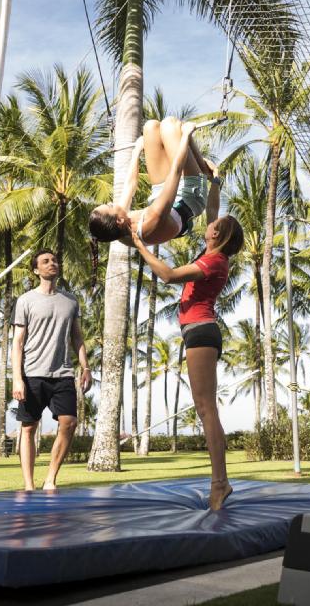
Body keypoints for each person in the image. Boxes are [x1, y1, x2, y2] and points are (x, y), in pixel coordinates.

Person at [130, 214, 244, 510]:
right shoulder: (209, 255)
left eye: (213, 223)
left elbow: (167, 275)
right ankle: (220, 481)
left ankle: (220, 483)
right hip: (197, 332)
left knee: (207, 410)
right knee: (206, 409)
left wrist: (140, 246)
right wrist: (214, 181)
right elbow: (213, 205)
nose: (207, 223)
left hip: (202, 332)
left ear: (217, 234)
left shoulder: (214, 262)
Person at [12, 249, 91, 492]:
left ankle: (50, 479)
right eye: (45, 261)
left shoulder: (70, 300)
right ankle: (28, 484)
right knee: (29, 428)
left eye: (55, 260)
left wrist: (85, 367)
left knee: (69, 423)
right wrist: (17, 378)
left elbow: (77, 338)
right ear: (36, 270)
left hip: (63, 374)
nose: (52, 264)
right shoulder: (26, 300)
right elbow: (18, 342)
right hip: (32, 374)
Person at [88, 118, 219, 247]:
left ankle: (195, 161)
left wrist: (137, 151)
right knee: (170, 125)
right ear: (119, 220)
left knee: (150, 127)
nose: (111, 203)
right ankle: (204, 169)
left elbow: (130, 185)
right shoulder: (151, 220)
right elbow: (176, 171)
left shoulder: (118, 227)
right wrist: (186, 135)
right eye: (110, 206)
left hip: (161, 194)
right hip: (190, 197)